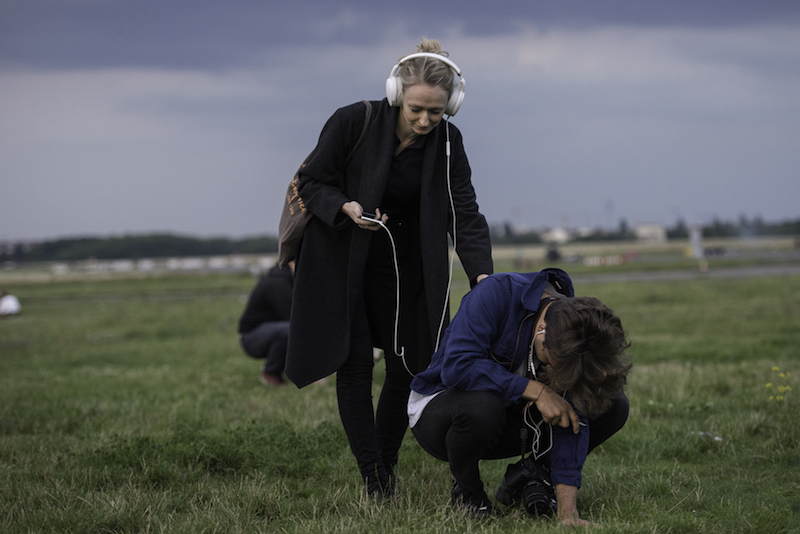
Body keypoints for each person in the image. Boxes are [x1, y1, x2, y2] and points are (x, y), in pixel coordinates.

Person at [284, 38, 493, 499]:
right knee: (354, 363)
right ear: (397, 94)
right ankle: (374, 478)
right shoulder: (352, 120)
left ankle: (387, 462)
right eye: (417, 109)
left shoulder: (447, 143)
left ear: (450, 108)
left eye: (436, 113)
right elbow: (310, 181)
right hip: (344, 258)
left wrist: (481, 275)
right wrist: (342, 204)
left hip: (407, 267)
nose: (424, 121)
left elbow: (466, 211)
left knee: (406, 367)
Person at [408, 268, 632, 525]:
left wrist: (568, 513)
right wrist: (537, 390)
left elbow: (572, 420)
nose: (553, 370)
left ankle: (531, 479)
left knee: (611, 405)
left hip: (512, 421)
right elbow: (458, 366)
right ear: (543, 330)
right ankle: (468, 495)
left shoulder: (574, 335)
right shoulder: (497, 292)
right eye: (551, 362)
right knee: (483, 407)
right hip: (442, 413)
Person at [238, 262, 294, 386]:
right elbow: (294, 318)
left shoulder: (283, 278)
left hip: (267, 331)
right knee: (291, 330)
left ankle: (280, 373)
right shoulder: (277, 282)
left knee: (291, 330)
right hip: (251, 337)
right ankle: (270, 373)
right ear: (292, 263)